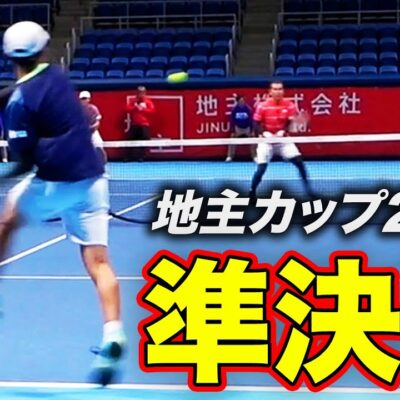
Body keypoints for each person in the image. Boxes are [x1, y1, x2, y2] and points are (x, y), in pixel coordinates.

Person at [0, 21, 126, 385]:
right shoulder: (56, 75)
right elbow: (27, 89)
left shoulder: (19, 104)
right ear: (43, 50)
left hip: (56, 182)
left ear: (8, 57)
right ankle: (113, 333)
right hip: (94, 180)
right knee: (99, 262)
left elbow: (23, 161)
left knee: (8, 218)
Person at [249, 80, 315, 204]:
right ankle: (252, 192)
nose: (278, 91)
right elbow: (255, 123)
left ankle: (309, 191)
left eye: (280, 89)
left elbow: (290, 121)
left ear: (283, 91)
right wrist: (264, 133)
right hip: (266, 141)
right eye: (275, 89)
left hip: (283, 140)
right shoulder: (262, 106)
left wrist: (283, 131)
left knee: (299, 162)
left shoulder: (289, 105)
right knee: (261, 169)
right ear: (270, 91)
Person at [126, 85, 155, 161]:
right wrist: (135, 107)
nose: (140, 93)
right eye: (139, 92)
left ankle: (142, 157)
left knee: (144, 141)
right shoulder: (133, 101)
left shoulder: (148, 101)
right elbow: (127, 109)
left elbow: (152, 111)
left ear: (145, 92)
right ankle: (129, 157)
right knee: (131, 141)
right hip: (134, 124)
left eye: (142, 92)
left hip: (144, 125)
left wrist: (143, 109)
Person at [225, 94, 256, 162]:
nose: (242, 102)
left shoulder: (248, 109)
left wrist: (252, 130)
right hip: (238, 129)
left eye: (243, 100)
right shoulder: (234, 109)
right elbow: (232, 121)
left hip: (247, 128)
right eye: (241, 100)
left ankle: (254, 156)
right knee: (232, 139)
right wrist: (233, 131)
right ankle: (230, 156)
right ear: (238, 101)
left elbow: (251, 120)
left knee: (253, 139)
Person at [79, 90, 107, 163]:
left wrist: (92, 128)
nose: (84, 100)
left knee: (99, 148)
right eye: (82, 98)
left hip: (93, 132)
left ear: (89, 99)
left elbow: (97, 122)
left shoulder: (94, 109)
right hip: (81, 133)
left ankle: (103, 166)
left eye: (85, 98)